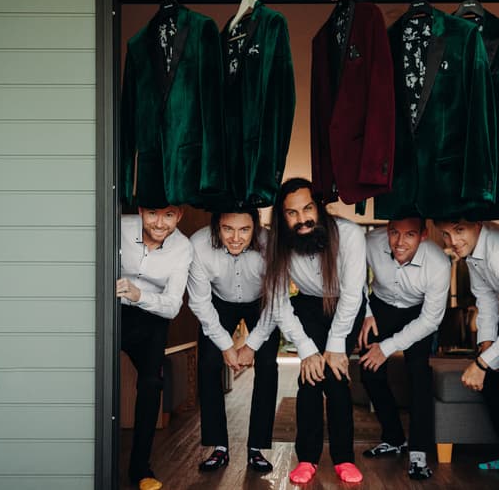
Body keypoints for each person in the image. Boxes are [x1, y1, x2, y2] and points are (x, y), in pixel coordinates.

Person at [240, 178, 367, 484]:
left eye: (307, 209)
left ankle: (344, 458)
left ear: (319, 207)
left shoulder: (349, 234)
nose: (302, 219)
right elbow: (280, 302)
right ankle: (307, 458)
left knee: (336, 377)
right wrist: (308, 350)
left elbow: (352, 294)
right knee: (310, 377)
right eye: (291, 213)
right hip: (308, 305)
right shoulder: (277, 244)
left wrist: (336, 346)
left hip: (345, 305)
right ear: (282, 217)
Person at [187, 210, 280, 473]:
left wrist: (251, 346)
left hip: (262, 303)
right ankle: (219, 447)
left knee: (267, 365)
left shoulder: (271, 243)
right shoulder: (199, 244)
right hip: (219, 302)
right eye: (228, 229)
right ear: (217, 226)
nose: (236, 238)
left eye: (244, 230)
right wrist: (226, 346)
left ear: (256, 227)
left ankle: (257, 448)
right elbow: (200, 303)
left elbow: (276, 303)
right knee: (207, 364)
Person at [359, 216, 451, 479]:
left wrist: (386, 347)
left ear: (423, 235)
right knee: (368, 371)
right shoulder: (371, 242)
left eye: (409, 235)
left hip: (418, 312)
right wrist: (365, 312)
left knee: (418, 374)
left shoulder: (438, 263)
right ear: (386, 231)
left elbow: (431, 320)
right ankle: (393, 437)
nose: (400, 242)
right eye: (394, 233)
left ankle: (419, 454)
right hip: (380, 307)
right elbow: (352, 276)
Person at [433, 219, 499, 490]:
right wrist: (486, 345)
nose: (452, 242)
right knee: (493, 385)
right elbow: (487, 300)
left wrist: (482, 363)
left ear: (477, 224)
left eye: (459, 230)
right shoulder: (471, 253)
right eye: (446, 234)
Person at [116, 205, 191, 490]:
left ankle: (140, 468)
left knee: (152, 383)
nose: (160, 223)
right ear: (141, 211)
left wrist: (139, 295)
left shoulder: (183, 248)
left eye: (169, 215)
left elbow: (172, 306)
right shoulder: (120, 226)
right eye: (153, 214)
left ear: (179, 216)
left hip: (152, 317)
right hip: (111, 311)